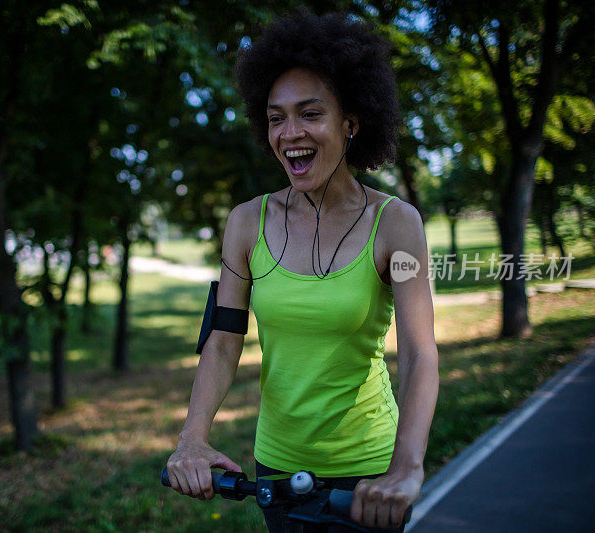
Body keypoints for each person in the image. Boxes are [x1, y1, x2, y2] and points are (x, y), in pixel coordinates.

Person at [166, 9, 439, 532]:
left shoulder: (397, 225)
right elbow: (223, 340)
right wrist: (192, 438)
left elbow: (421, 351)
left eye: (310, 114)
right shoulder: (246, 224)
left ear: (351, 124)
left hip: (367, 474)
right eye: (276, 118)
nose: (290, 133)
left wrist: (406, 467)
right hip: (275, 468)